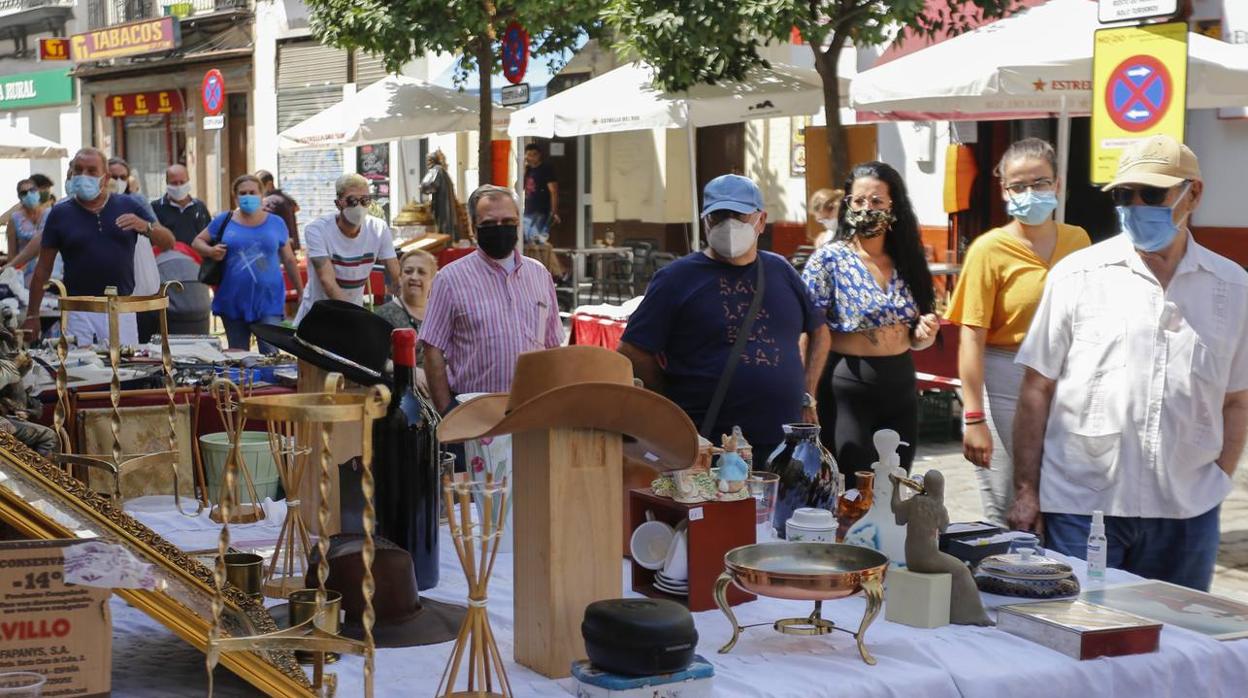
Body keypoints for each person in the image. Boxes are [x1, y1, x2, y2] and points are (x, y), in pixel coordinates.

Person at [1009, 135, 1248, 592]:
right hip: (1084, 506)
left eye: (1152, 194)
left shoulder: (1232, 287)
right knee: (1083, 644)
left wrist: (1217, 476)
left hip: (1186, 512)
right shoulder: (1077, 276)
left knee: (1178, 648)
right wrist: (1026, 490)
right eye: (1124, 195)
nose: (1136, 206)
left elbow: (1236, 399)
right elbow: (1037, 388)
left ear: (1192, 194)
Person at [619, 174, 829, 458]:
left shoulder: (780, 270)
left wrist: (808, 392)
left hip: (783, 444)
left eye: (739, 215)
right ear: (706, 221)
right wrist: (671, 399)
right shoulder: (675, 278)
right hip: (710, 445)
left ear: (761, 220)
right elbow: (633, 350)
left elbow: (819, 330)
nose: (729, 225)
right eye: (719, 216)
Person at [944, 138, 1091, 528]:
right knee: (1010, 505)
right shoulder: (988, 249)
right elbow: (971, 337)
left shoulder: (1078, 241)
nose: (1031, 193)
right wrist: (973, 417)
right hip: (1006, 378)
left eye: (1040, 183)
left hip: (1065, 379)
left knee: (1058, 499)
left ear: (1057, 184)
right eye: (1019, 186)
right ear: (1004, 190)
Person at [801, 161, 939, 487]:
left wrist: (923, 335)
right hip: (849, 383)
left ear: (894, 205)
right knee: (854, 487)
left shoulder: (908, 260)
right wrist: (804, 393)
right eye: (859, 201)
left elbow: (915, 333)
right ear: (847, 205)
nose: (867, 208)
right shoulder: (829, 259)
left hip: (901, 383)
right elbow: (808, 329)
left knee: (894, 485)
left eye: (877, 201)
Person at [420, 184, 563, 414]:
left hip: (531, 410)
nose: (500, 229)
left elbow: (553, 345)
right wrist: (448, 413)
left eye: (507, 222)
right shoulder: (449, 279)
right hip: (473, 414)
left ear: (518, 222)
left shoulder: (539, 275)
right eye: (488, 224)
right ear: (473, 229)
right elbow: (432, 350)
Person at [25, 147, 174, 345]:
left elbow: (168, 241)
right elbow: (43, 267)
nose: (83, 176)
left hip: (121, 309)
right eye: (78, 170)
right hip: (78, 311)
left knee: (125, 371)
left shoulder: (128, 205)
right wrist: (32, 315)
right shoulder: (60, 214)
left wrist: (145, 226)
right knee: (82, 373)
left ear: (105, 177)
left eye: (91, 171)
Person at [194, 175, 302, 353]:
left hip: (269, 301)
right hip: (233, 301)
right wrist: (211, 251)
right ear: (235, 197)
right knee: (239, 357)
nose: (248, 196)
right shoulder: (224, 220)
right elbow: (197, 241)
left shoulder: (276, 223)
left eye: (252, 192)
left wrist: (300, 291)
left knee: (270, 355)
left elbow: (289, 260)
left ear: (261, 195)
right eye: (243, 193)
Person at [294, 173, 399, 325]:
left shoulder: (378, 228)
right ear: (338, 203)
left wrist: (404, 302)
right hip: (317, 318)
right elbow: (327, 281)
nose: (359, 206)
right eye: (352, 201)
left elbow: (393, 270)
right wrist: (355, 317)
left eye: (365, 200)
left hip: (351, 317)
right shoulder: (317, 230)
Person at [5, 179, 56, 287]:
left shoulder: (51, 213)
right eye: (24, 193)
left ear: (37, 192)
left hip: (51, 271)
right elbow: (12, 253)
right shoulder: (15, 219)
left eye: (32, 190)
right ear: (20, 197)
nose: (28, 194)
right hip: (24, 274)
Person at [151, 164, 211, 248]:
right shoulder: (155, 208)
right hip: (168, 259)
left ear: (188, 181)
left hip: (195, 259)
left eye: (182, 182)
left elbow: (209, 235)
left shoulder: (199, 207)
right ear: (167, 183)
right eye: (174, 183)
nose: (179, 186)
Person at [522, 144, 559, 244]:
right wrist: (523, 171)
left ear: (539, 155)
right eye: (529, 155)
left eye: (534, 155)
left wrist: (553, 211)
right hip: (528, 209)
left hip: (542, 210)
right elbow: (519, 187)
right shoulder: (528, 170)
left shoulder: (546, 169)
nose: (531, 157)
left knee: (537, 239)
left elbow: (554, 191)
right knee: (526, 238)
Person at [257, 169, 301, 251]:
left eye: (259, 186)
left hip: (278, 248)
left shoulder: (269, 201)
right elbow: (297, 208)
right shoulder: (285, 197)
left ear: (269, 184)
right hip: (290, 245)